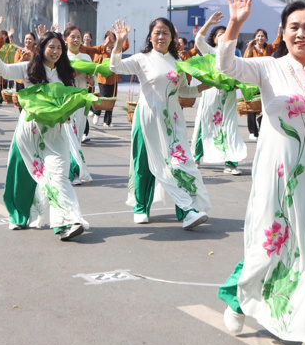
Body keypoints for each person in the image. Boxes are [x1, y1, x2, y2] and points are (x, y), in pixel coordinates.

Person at [215, 0, 305, 345]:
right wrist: (235, 26)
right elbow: (226, 65)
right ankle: (237, 296)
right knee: (269, 246)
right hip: (276, 174)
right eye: (294, 27)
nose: (301, 34)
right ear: (283, 32)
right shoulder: (268, 68)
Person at [108, 17, 211, 229]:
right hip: (147, 117)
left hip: (173, 119)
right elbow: (115, 66)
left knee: (180, 163)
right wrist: (119, 42)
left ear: (172, 37)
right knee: (144, 164)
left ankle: (187, 210)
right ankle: (141, 207)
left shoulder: (179, 62)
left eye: (165, 32)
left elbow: (182, 91)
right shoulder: (141, 58)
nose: (161, 36)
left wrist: (204, 87)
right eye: (157, 32)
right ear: (150, 36)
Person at [0, 29, 89, 241]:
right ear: (41, 48)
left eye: (59, 48)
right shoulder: (28, 69)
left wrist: (67, 113)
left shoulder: (64, 73)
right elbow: (4, 71)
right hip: (30, 130)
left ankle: (68, 222)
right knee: (22, 174)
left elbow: (68, 100)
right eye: (51, 47)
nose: (55, 51)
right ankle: (18, 215)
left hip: (56, 133)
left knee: (59, 175)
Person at [192, 12, 247, 175]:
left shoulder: (235, 55)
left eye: (226, 34)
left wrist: (239, 85)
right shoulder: (210, 52)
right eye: (219, 35)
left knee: (229, 128)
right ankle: (195, 157)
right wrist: (208, 22)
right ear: (214, 39)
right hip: (210, 94)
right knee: (204, 125)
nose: (223, 37)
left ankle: (231, 164)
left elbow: (242, 74)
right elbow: (198, 41)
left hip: (228, 96)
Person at [63, 25, 94, 184]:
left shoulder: (86, 58)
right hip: (67, 102)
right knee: (70, 137)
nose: (76, 40)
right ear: (65, 39)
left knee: (77, 137)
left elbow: (90, 80)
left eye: (78, 37)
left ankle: (72, 169)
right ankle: (74, 172)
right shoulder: (61, 58)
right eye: (72, 37)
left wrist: (90, 79)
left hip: (82, 102)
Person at [242, 28, 276, 140]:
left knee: (265, 103)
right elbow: (245, 59)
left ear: (266, 38)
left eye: (262, 36)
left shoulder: (269, 48)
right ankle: (252, 131)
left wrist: (281, 29)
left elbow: (278, 42)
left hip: (267, 79)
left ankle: (262, 127)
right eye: (258, 36)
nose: (260, 38)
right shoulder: (251, 47)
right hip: (253, 79)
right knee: (252, 104)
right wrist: (250, 47)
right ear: (255, 37)